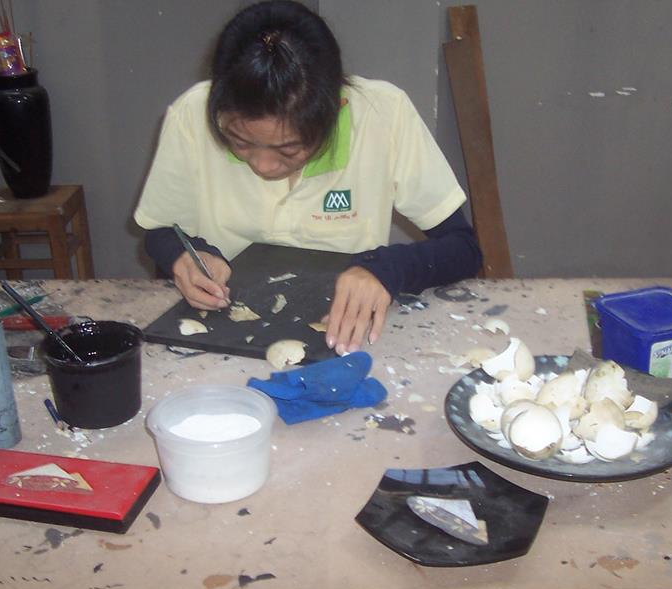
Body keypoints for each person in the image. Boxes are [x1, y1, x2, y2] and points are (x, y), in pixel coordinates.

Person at [135, 0, 482, 354]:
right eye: (241, 142)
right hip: (224, 336)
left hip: (343, 338)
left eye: (289, 149)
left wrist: (388, 269)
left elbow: (463, 248)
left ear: (335, 112)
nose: (264, 166)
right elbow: (161, 231)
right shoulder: (191, 115)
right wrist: (184, 257)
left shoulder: (385, 115)